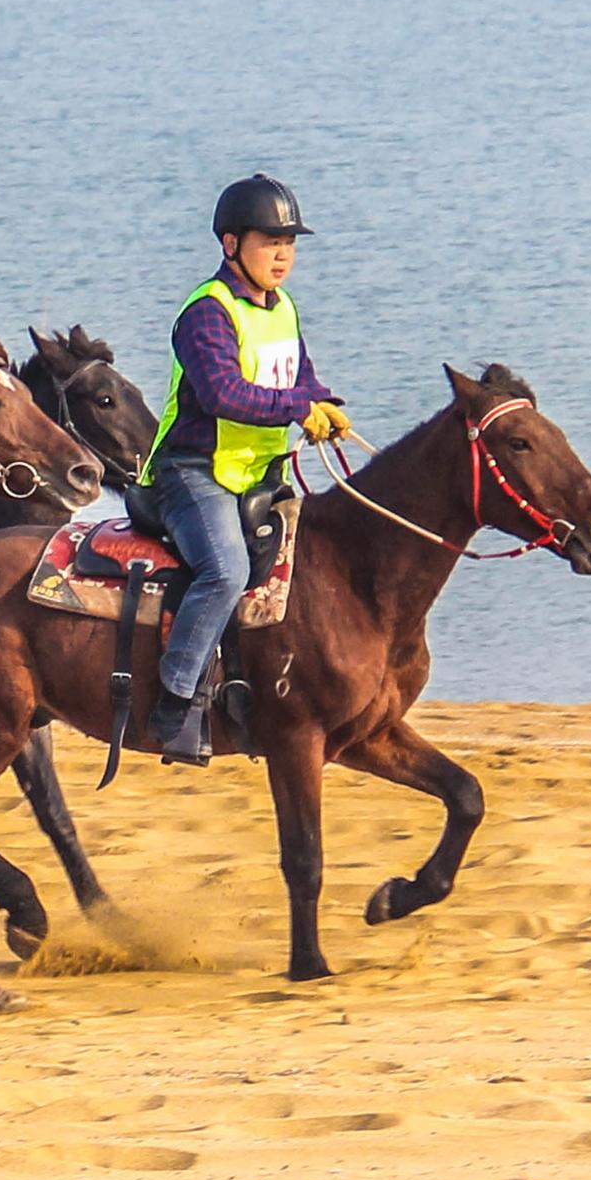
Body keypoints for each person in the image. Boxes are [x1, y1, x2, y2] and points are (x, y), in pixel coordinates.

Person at [138, 173, 349, 764]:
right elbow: (223, 394)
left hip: (256, 474)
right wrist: (297, 408)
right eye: (270, 240)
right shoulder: (207, 312)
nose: (283, 254)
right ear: (231, 245)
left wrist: (323, 403)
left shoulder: (282, 309)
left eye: (291, 242)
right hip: (193, 472)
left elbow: (299, 380)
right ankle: (175, 704)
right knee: (226, 570)